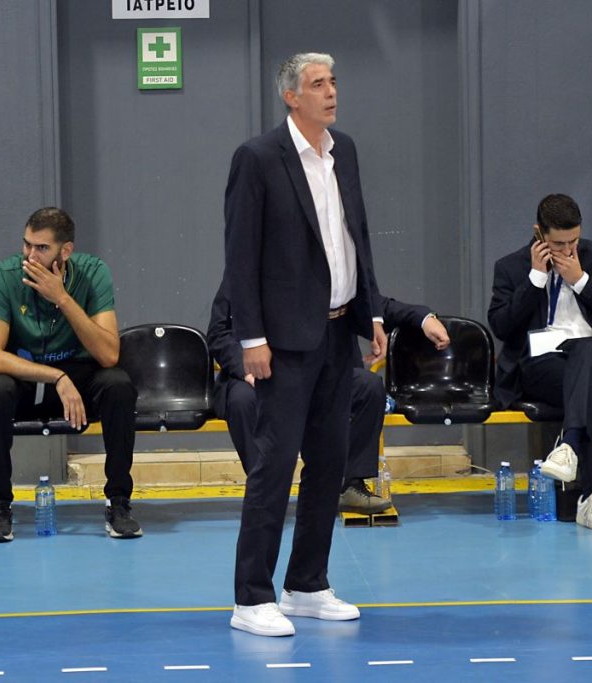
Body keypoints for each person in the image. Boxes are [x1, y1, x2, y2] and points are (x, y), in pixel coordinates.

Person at [222, 52, 388, 637]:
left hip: (338, 334)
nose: (331, 92)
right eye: (318, 84)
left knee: (329, 463)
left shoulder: (345, 152)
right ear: (291, 97)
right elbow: (241, 255)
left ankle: (307, 585)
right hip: (284, 341)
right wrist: (252, 337)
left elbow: (356, 237)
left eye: (333, 81)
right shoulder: (258, 158)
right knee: (273, 466)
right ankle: (251, 597)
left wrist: (371, 312)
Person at [207, 278, 450, 515]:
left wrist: (424, 319)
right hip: (258, 374)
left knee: (368, 387)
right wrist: (246, 369)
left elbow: (376, 305)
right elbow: (218, 333)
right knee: (242, 400)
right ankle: (266, 492)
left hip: (319, 373)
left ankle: (350, 485)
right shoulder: (242, 273)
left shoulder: (326, 271)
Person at [0, 207, 141, 541]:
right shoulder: (5, 275)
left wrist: (62, 298)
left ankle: (118, 502)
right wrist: (55, 377)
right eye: (27, 245)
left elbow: (109, 354)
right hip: (28, 376)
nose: (30, 255)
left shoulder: (93, 273)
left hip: (79, 376)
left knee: (119, 386)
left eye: (41, 248)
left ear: (65, 251)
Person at [488, 194, 592, 530]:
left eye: (573, 241)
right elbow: (502, 327)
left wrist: (581, 280)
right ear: (539, 234)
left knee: (587, 352)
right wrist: (535, 279)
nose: (567, 250)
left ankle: (570, 447)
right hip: (543, 362)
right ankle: (590, 495)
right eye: (558, 244)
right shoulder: (510, 266)